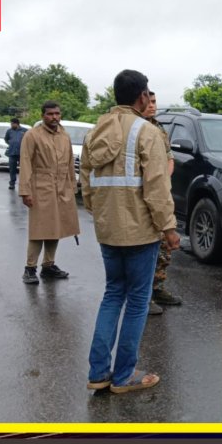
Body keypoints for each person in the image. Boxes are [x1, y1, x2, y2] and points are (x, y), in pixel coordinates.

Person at [81, 70, 180, 393]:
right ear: (141, 97)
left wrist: (101, 214)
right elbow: (156, 188)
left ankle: (98, 373)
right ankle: (124, 377)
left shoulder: (96, 130)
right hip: (140, 232)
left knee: (112, 295)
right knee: (137, 301)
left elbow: (86, 182)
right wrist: (169, 228)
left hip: (108, 229)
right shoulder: (145, 132)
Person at [18, 101, 80, 285]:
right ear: (43, 115)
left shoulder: (64, 136)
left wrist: (72, 187)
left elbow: (69, 163)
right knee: (39, 230)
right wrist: (25, 191)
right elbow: (26, 163)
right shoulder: (32, 135)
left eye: (57, 114)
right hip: (41, 187)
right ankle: (29, 269)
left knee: (56, 228)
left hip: (62, 187)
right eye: (50, 114)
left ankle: (48, 265)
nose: (54, 117)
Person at [142, 91, 181, 316]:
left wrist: (164, 180)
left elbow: (169, 157)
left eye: (155, 102)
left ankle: (157, 289)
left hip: (161, 191)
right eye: (148, 102)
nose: (152, 106)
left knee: (164, 245)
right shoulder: (136, 128)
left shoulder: (159, 128)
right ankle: (143, 298)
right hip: (144, 195)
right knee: (145, 249)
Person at [4, 117, 26, 190]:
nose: (11, 125)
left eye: (12, 124)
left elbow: (29, 140)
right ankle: (12, 184)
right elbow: (6, 139)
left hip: (22, 153)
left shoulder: (24, 131)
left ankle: (23, 185)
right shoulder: (9, 131)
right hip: (12, 153)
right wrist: (11, 143)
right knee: (12, 169)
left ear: (16, 124)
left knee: (23, 170)